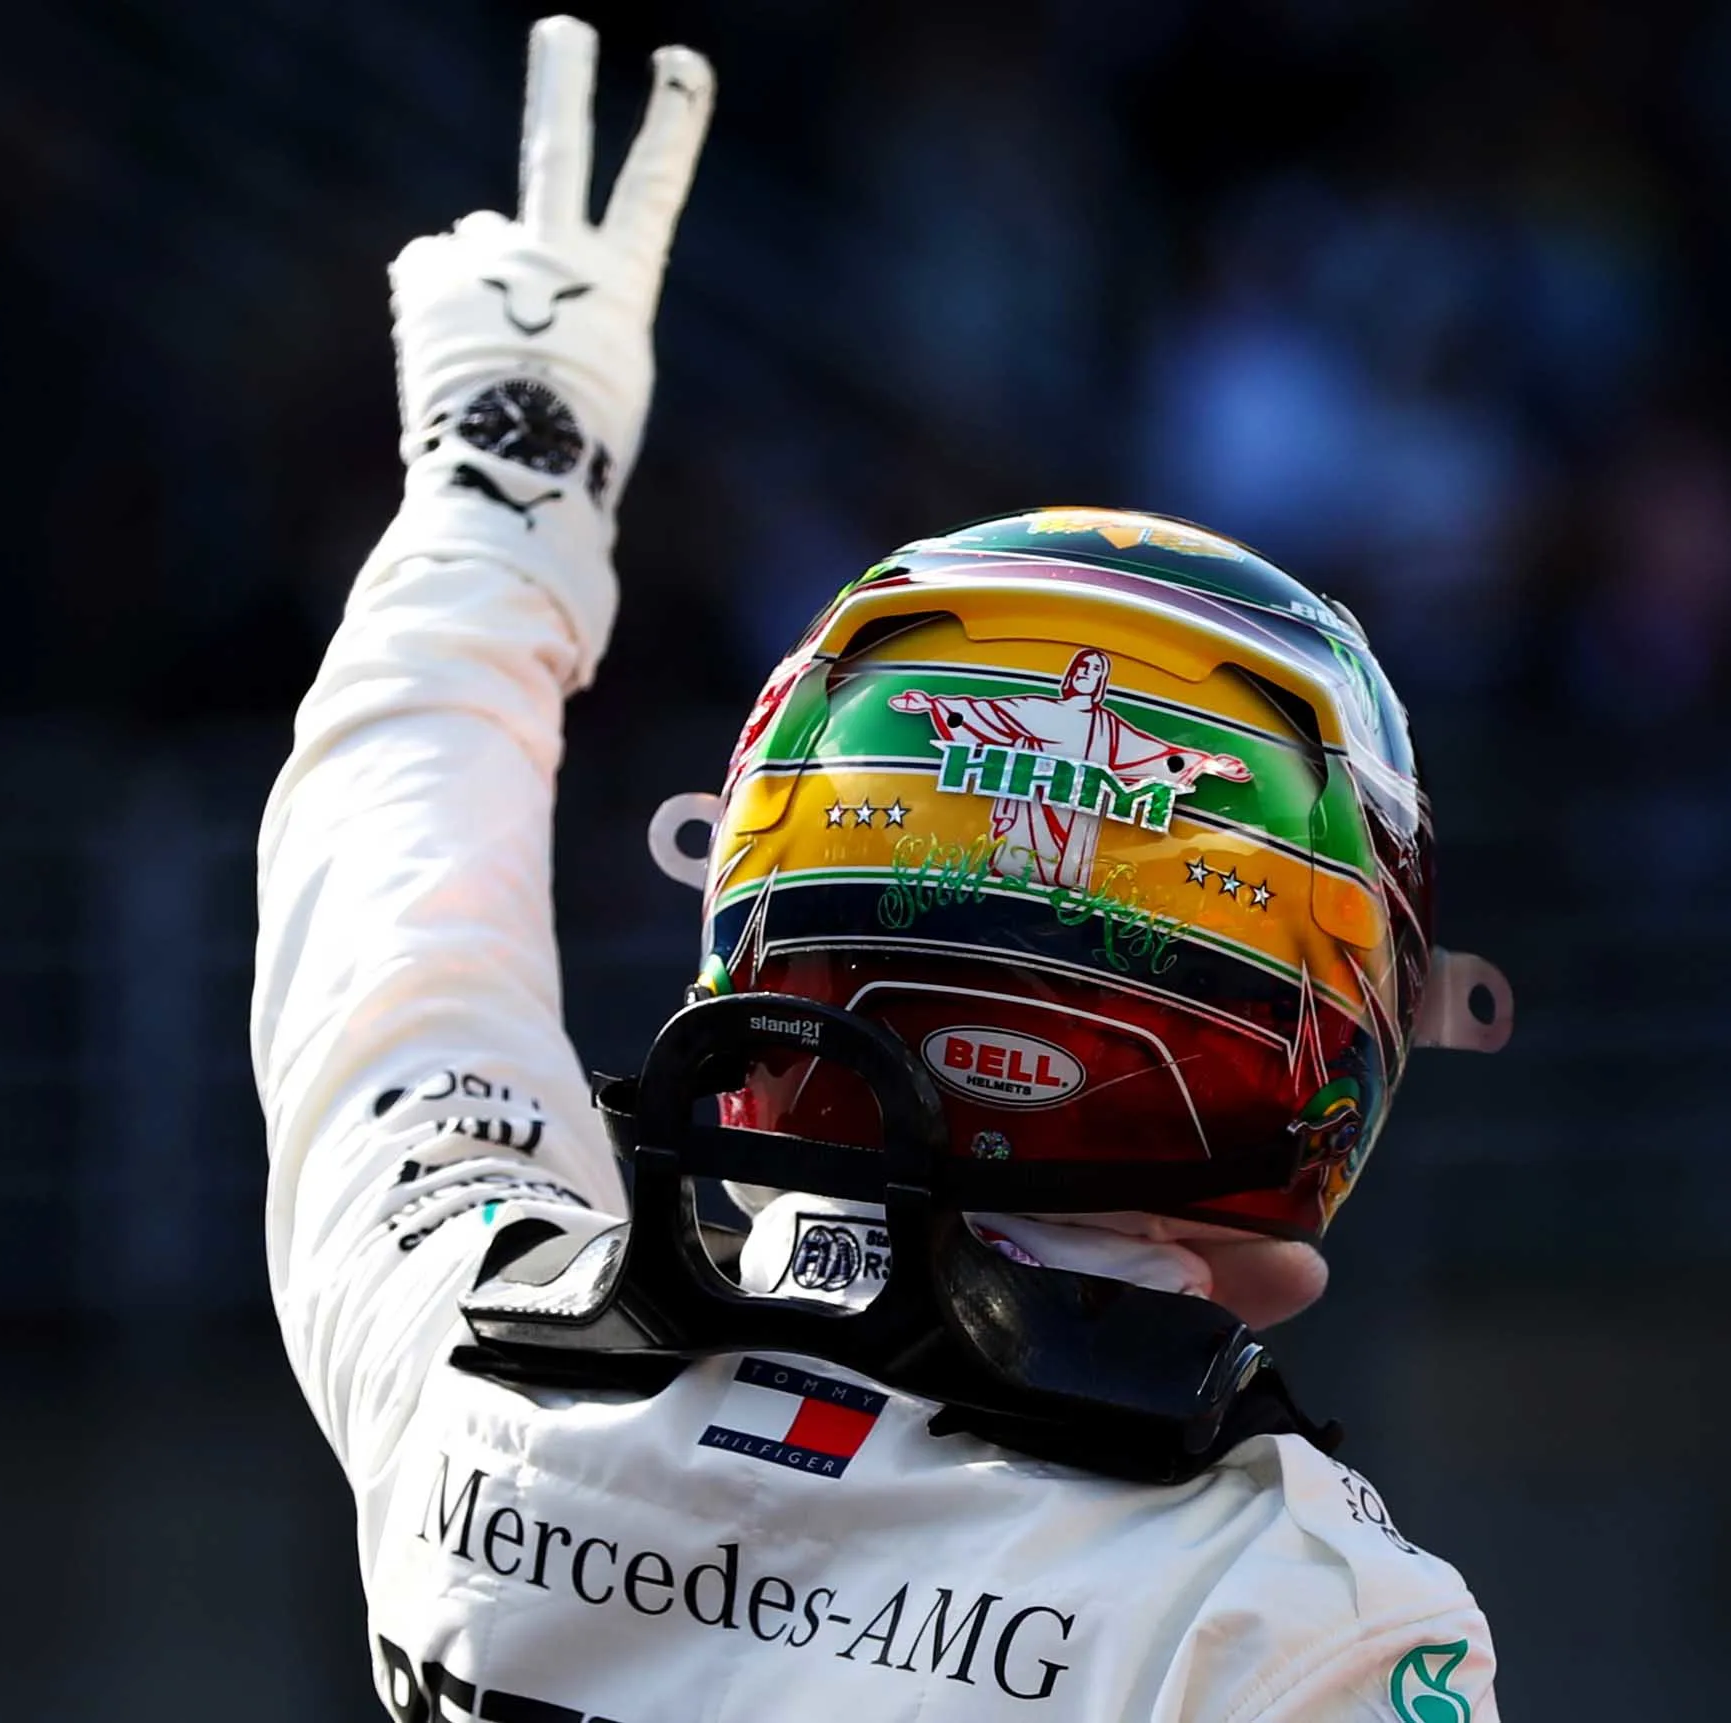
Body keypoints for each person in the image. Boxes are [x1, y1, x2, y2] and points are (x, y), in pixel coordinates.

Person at [253, 18, 1508, 1721]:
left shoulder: (471, 1343)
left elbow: (390, 944)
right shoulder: (1282, 1619)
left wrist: (499, 489)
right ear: (1335, 992)